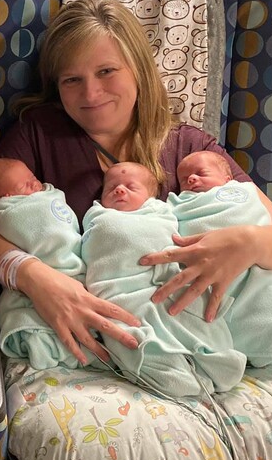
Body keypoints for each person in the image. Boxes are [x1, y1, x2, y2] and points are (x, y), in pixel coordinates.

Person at [0, 0, 272, 371]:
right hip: (95, 340)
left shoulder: (190, 149)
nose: (91, 94)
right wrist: (34, 277)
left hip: (201, 329)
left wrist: (248, 242)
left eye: (107, 71)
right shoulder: (39, 134)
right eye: (71, 80)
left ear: (139, 70)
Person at [83, 161, 246, 397]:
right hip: (123, 290)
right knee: (133, 335)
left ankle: (214, 360)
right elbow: (90, 249)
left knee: (193, 316)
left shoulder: (161, 212)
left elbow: (179, 239)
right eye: (112, 188)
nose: (119, 190)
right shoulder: (97, 216)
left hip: (170, 281)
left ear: (150, 197)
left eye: (131, 187)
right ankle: (169, 375)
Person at [171, 151, 272, 367]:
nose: (192, 179)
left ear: (228, 179)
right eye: (184, 180)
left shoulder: (241, 191)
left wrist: (249, 240)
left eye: (200, 173)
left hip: (256, 268)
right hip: (207, 282)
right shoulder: (179, 203)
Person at [0, 158, 87, 370]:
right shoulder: (11, 209)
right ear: (8, 198)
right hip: (47, 274)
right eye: (25, 185)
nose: (35, 185)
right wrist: (27, 272)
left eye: (34, 179)